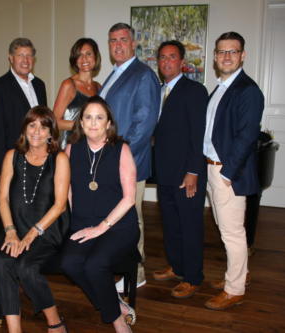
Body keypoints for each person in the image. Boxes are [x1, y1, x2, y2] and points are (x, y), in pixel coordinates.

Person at [61, 96, 139, 333]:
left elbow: (129, 198)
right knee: (69, 263)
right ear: (80, 122)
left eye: (99, 118)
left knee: (95, 265)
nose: (93, 123)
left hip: (118, 226)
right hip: (84, 223)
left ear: (108, 123)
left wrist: (101, 227)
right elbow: (70, 192)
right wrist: (74, 223)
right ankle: (113, 303)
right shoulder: (71, 149)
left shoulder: (121, 149)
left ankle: (116, 321)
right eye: (88, 117)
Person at [0, 107, 70, 333]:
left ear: (50, 132)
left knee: (26, 267)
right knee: (1, 262)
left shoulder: (60, 159)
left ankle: (55, 322)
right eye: (32, 125)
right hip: (14, 225)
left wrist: (31, 234)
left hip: (47, 228)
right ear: (25, 129)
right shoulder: (12, 156)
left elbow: (60, 205)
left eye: (43, 126)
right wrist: (10, 231)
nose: (37, 131)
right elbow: (3, 198)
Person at [203, 32, 264, 310]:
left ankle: (235, 288)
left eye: (233, 51)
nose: (226, 56)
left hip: (227, 173)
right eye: (222, 52)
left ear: (243, 55)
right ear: (215, 56)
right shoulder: (221, 88)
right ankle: (240, 273)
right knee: (225, 227)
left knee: (232, 233)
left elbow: (247, 136)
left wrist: (227, 174)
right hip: (212, 169)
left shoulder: (247, 90)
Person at [99, 22, 161, 291]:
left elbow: (144, 125)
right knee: (114, 219)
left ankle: (136, 273)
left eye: (123, 39)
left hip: (128, 164)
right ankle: (118, 268)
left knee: (131, 219)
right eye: (113, 40)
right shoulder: (113, 75)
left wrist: (116, 159)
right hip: (106, 161)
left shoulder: (143, 75)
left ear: (133, 43)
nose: (118, 45)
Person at [152, 41, 208, 298]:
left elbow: (199, 136)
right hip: (164, 171)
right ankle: (176, 266)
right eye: (162, 58)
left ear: (182, 61)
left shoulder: (195, 91)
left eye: (172, 57)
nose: (166, 62)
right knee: (171, 224)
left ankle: (193, 277)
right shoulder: (158, 90)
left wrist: (194, 171)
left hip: (187, 173)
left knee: (190, 225)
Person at [0, 37, 47, 166]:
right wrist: (3, 167)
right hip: (15, 160)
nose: (25, 60)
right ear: (11, 58)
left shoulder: (39, 85)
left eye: (29, 55)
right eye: (20, 55)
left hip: (41, 157)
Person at [53, 38, 101, 149]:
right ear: (75, 60)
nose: (84, 58)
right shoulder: (68, 85)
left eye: (88, 54)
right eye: (79, 55)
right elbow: (54, 121)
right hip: (70, 146)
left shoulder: (99, 87)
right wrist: (81, 125)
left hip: (93, 146)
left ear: (95, 57)